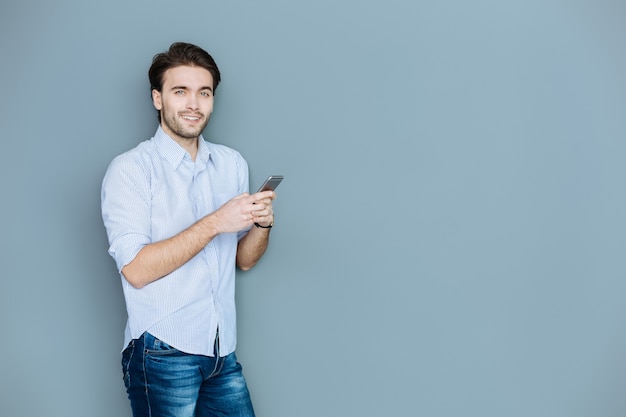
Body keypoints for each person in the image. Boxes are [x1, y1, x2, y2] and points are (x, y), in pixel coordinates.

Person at [101, 42, 275, 417]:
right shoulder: (131, 170)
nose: (193, 104)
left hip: (221, 351)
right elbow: (136, 270)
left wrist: (261, 225)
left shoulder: (231, 164)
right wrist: (216, 223)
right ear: (157, 98)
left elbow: (242, 260)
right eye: (180, 91)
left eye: (204, 92)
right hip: (162, 351)